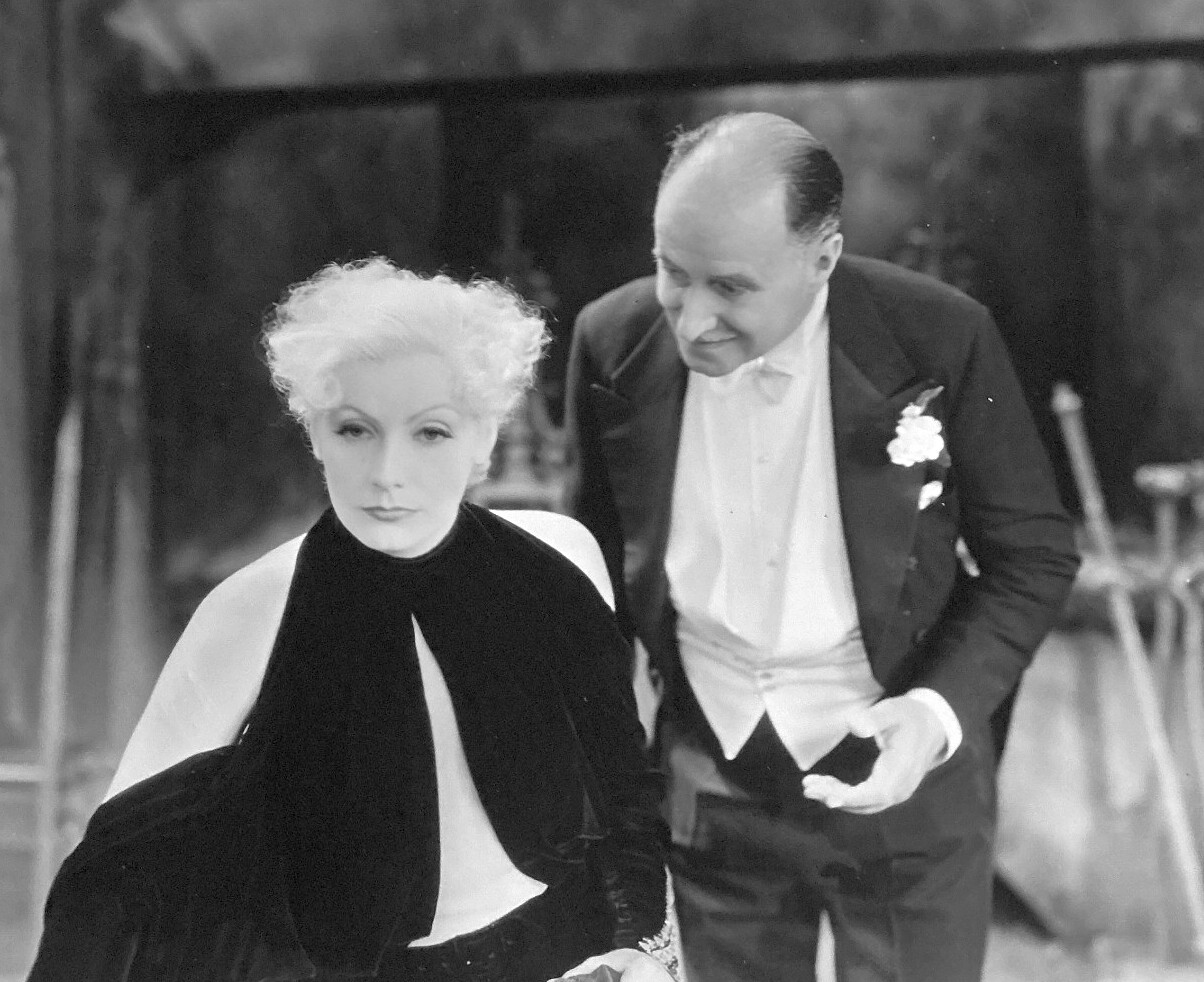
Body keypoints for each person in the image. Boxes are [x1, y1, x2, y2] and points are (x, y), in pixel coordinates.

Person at [28, 259, 678, 982]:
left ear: (484, 437)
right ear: (315, 432)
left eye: (430, 433)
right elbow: (109, 879)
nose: (387, 473)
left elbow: (623, 787)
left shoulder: (561, 556)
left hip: (567, 958)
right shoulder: (252, 608)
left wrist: (643, 949)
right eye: (355, 430)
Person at [565, 111, 1081, 982]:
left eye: (732, 288)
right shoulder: (609, 339)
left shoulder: (940, 336)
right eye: (671, 272)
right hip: (708, 786)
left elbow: (1033, 557)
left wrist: (933, 715)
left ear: (824, 259)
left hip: (904, 787)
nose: (692, 321)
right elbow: (595, 583)